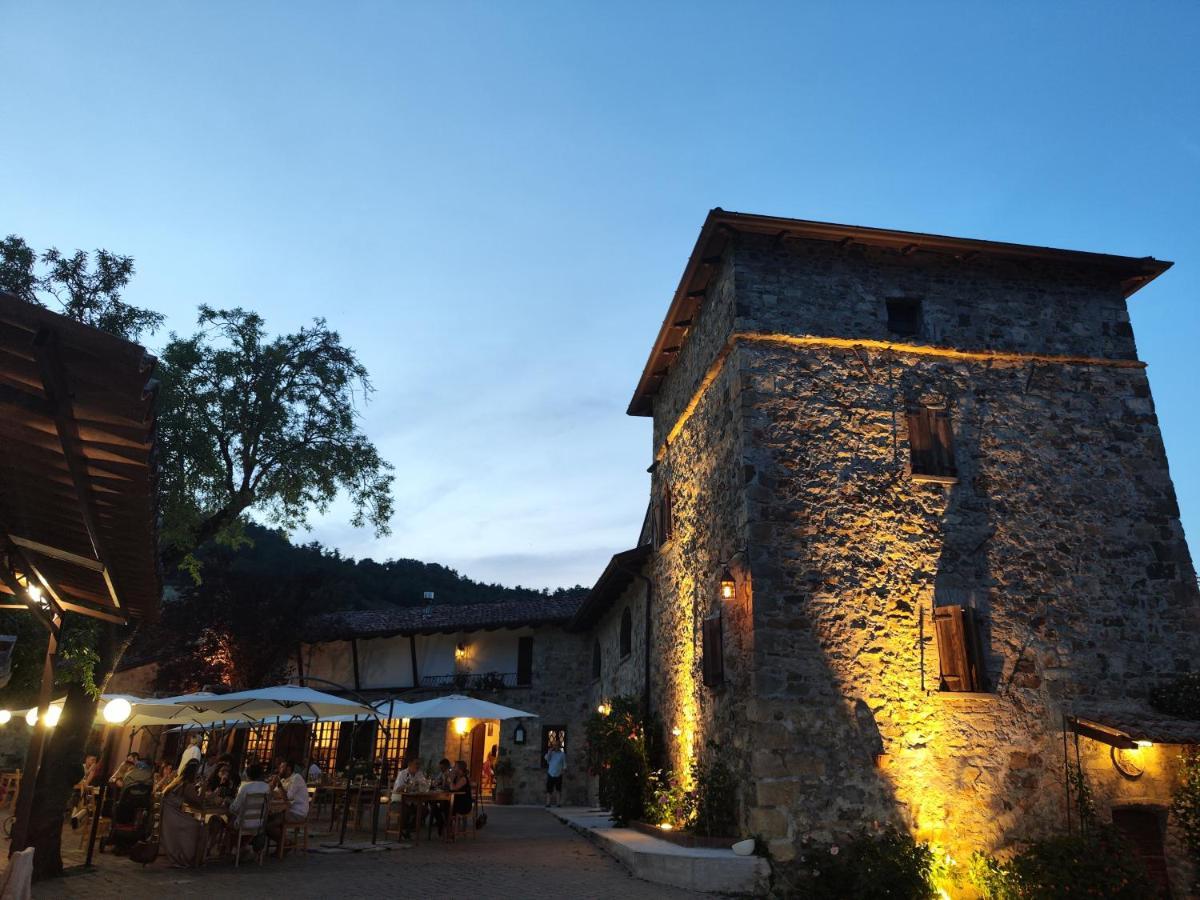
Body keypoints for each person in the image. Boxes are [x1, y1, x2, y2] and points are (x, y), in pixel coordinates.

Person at [159, 759, 207, 866]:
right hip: (171, 816)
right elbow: (198, 802)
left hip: (168, 813)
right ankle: (188, 856)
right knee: (198, 825)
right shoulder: (187, 785)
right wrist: (204, 787)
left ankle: (187, 855)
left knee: (194, 822)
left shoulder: (178, 780)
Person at [225, 762, 271, 859]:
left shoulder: (245, 787)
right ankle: (240, 848)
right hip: (259, 823)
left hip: (243, 823)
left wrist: (229, 802)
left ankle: (232, 850)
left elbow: (234, 808)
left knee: (229, 819)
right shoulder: (266, 787)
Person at [267, 759, 310, 844]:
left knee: (268, 826)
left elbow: (287, 797)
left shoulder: (296, 778)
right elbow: (273, 794)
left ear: (288, 769)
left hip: (297, 813)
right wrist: (272, 784)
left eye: (282, 767)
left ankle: (287, 843)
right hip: (285, 810)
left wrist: (279, 785)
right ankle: (282, 846)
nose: (279, 769)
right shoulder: (283, 780)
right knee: (266, 820)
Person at [390, 756, 429, 839]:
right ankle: (403, 830)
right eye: (416, 764)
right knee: (406, 810)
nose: (418, 766)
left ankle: (409, 828)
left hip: (412, 801)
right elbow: (397, 789)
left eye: (419, 764)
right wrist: (407, 786)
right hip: (398, 801)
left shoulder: (419, 774)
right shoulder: (402, 774)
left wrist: (422, 785)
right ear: (410, 764)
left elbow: (424, 785)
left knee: (424, 809)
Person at [544, 738, 566, 807]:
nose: (556, 747)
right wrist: (550, 751)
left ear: (559, 746)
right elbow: (547, 759)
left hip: (558, 774)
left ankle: (558, 803)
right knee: (549, 789)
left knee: (558, 789)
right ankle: (548, 803)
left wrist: (563, 771)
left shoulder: (562, 754)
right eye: (554, 745)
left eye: (557, 745)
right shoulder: (551, 753)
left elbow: (564, 764)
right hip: (551, 773)